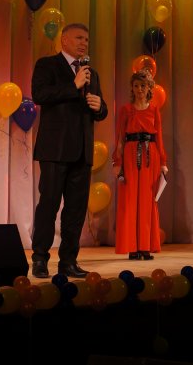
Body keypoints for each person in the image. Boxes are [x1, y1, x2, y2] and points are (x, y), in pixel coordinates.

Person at [30, 23, 108, 278]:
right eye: (78, 38)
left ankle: (68, 261)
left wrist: (100, 106)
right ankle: (40, 258)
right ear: (64, 40)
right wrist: (73, 85)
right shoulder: (47, 65)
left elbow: (101, 110)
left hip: (82, 151)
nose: (84, 43)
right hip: (55, 149)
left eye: (86, 39)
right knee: (49, 205)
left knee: (75, 210)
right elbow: (39, 94)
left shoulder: (91, 73)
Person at [112, 70, 168, 260]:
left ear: (149, 88)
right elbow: (120, 138)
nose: (139, 89)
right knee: (130, 201)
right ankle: (132, 247)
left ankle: (145, 246)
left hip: (150, 156)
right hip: (130, 155)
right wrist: (117, 162)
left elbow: (159, 137)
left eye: (143, 86)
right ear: (132, 88)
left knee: (147, 201)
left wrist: (163, 162)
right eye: (136, 86)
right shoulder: (126, 110)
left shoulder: (154, 110)